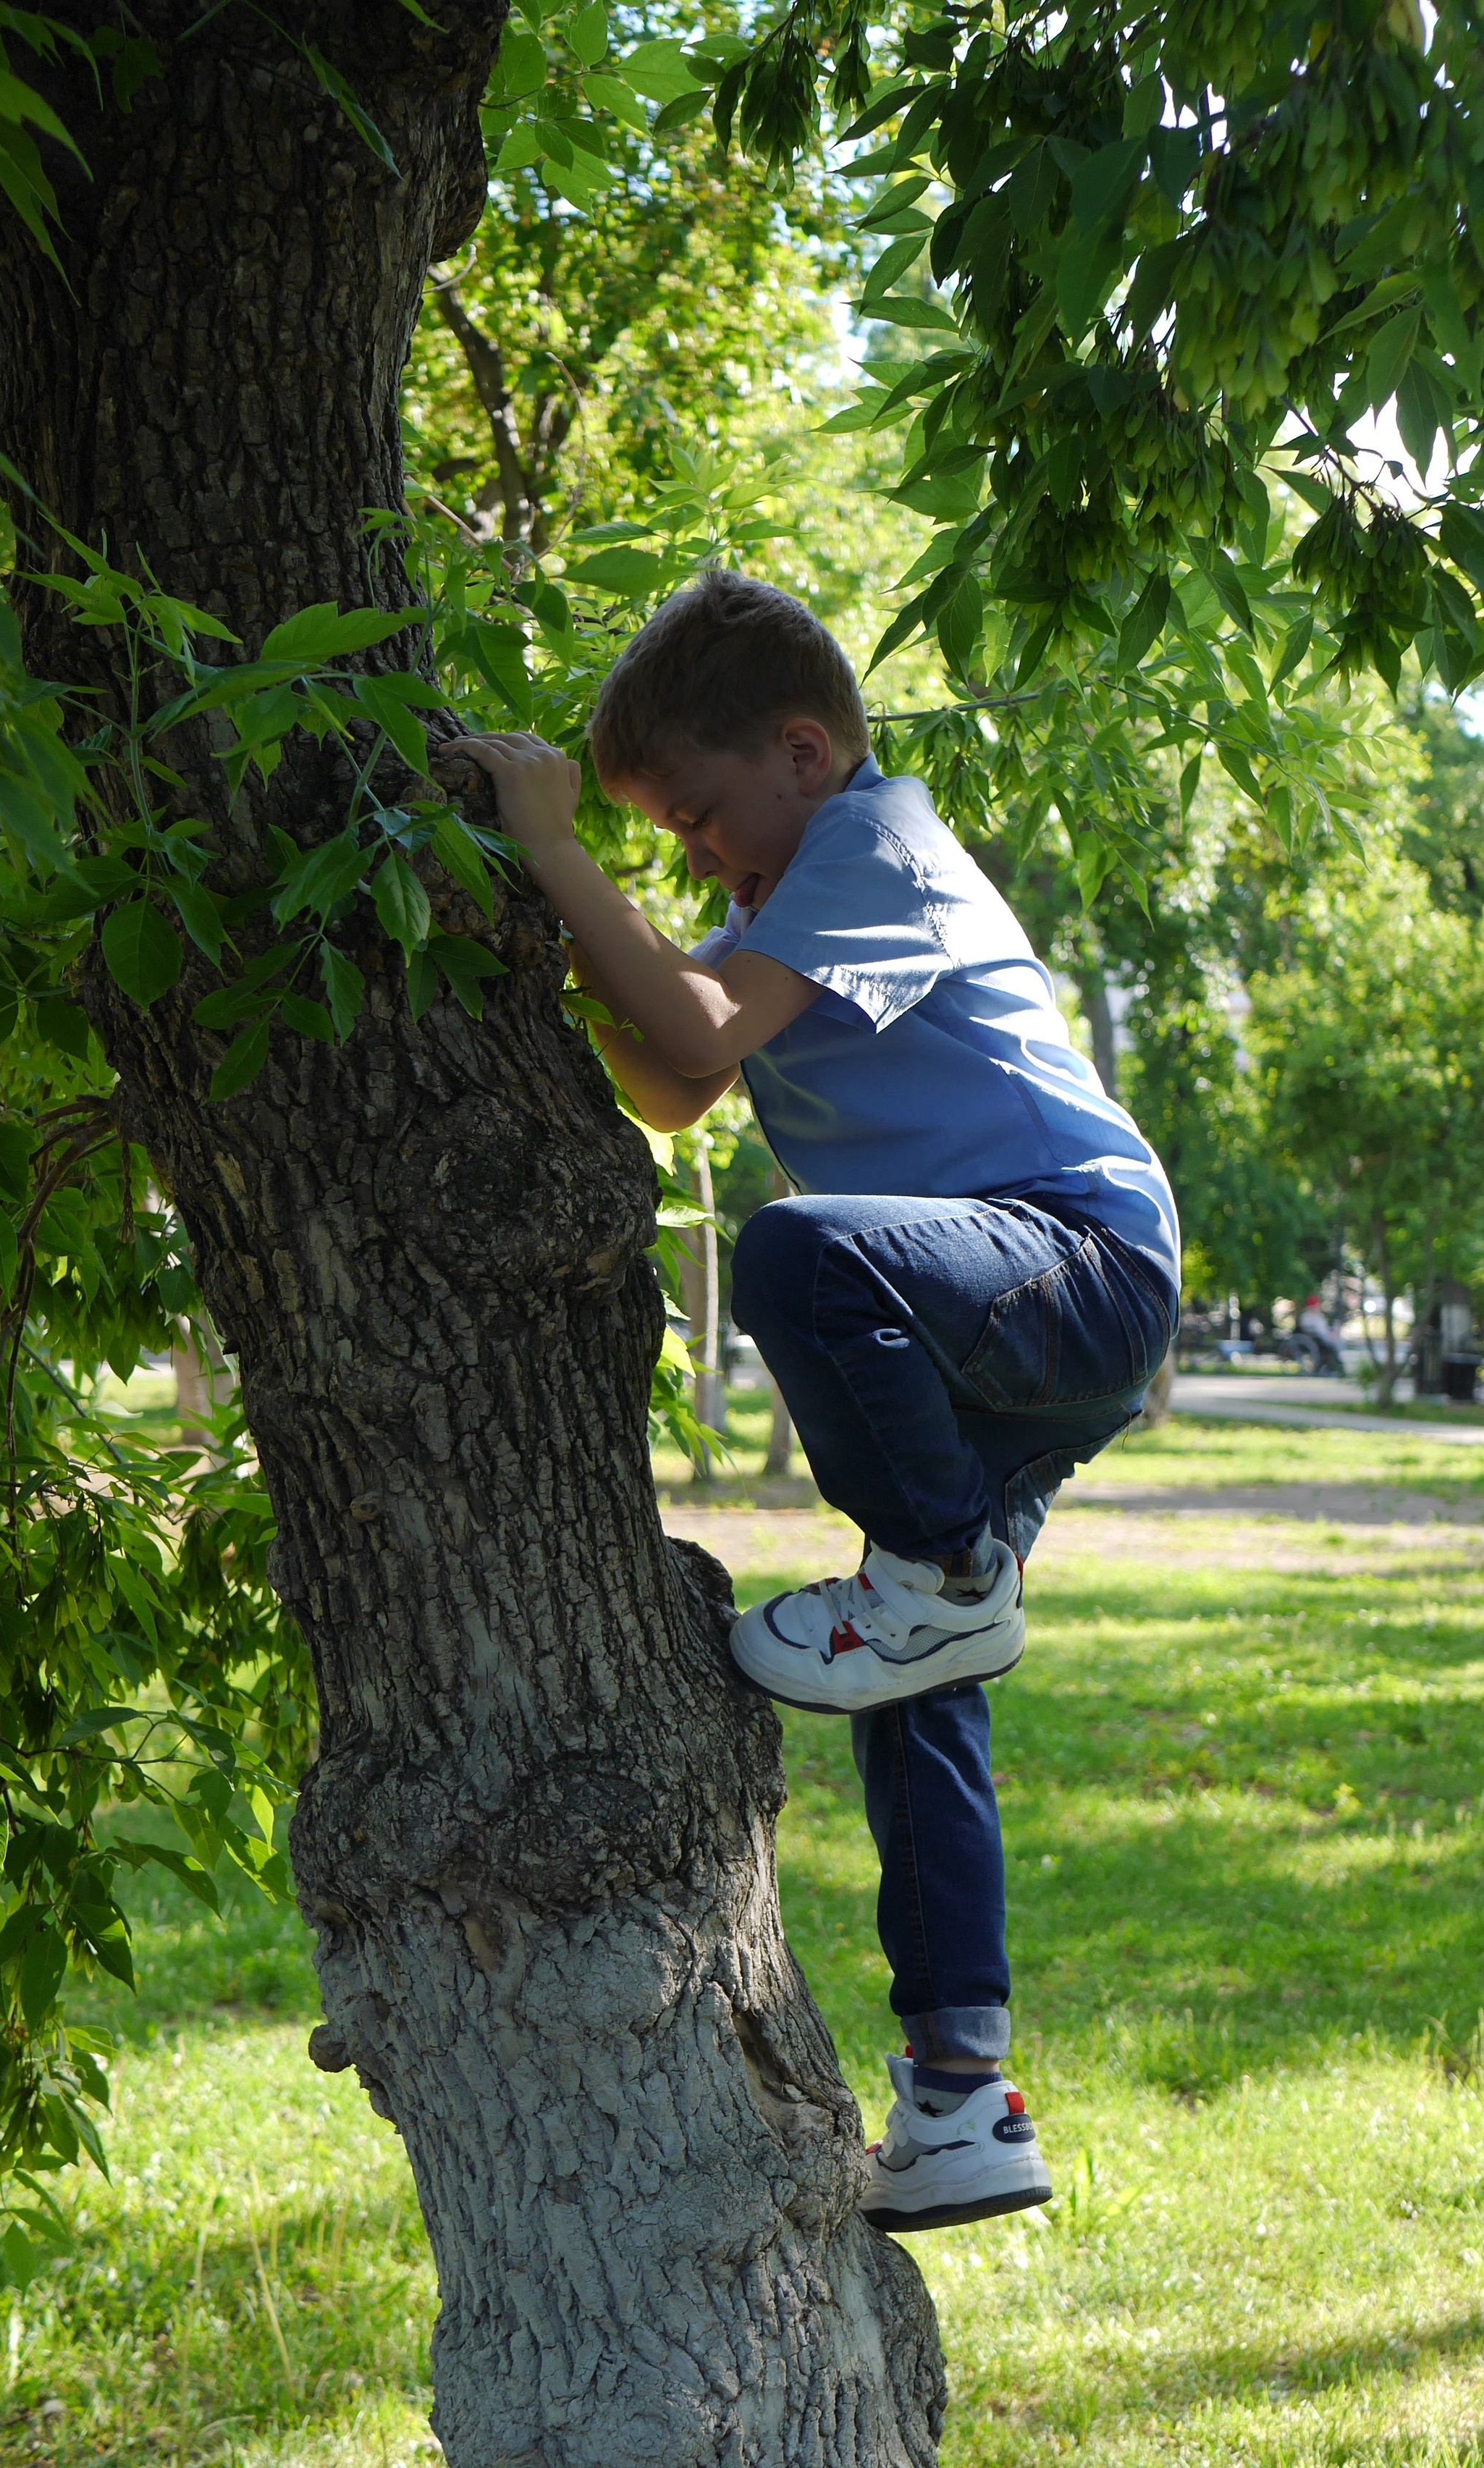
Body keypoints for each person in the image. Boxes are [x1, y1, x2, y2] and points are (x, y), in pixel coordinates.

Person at [458, 570, 1180, 2235]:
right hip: (990, 1310)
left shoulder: (872, 843)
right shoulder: (795, 883)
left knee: (797, 1251)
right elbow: (677, 1077)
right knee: (917, 1688)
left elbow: (694, 1023)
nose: (697, 860)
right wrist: (555, 945)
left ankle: (933, 1580)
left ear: (799, 751)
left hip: (1069, 1257)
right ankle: (960, 2100)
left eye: (698, 818)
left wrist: (554, 851)